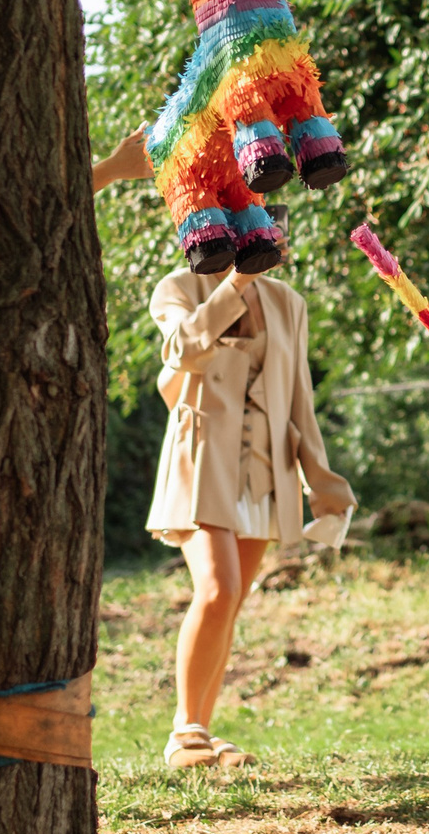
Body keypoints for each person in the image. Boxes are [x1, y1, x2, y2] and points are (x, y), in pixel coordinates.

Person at [145, 250, 353, 768]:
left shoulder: (288, 302)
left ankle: (202, 731)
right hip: (201, 460)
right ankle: (184, 731)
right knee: (217, 590)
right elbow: (181, 348)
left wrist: (322, 483)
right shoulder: (177, 288)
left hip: (266, 469)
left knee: (230, 603)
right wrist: (237, 282)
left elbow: (299, 397)